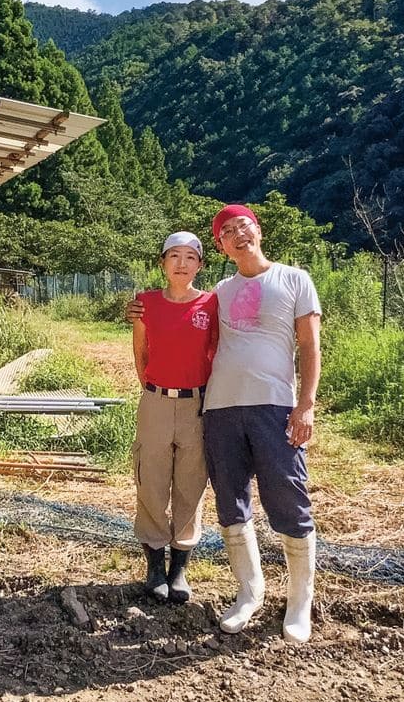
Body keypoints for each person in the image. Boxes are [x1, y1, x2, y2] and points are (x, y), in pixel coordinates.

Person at [128, 205, 322, 644]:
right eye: (226, 232)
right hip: (219, 409)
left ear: (258, 230)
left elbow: (310, 347)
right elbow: (169, 336)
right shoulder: (221, 291)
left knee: (287, 497)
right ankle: (249, 593)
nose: (237, 235)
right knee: (231, 502)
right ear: (219, 246)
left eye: (243, 227)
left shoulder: (294, 279)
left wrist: (305, 405)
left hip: (274, 406)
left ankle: (299, 602)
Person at [131, 230, 218, 604]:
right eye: (174, 256)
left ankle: (179, 567)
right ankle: (154, 566)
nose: (181, 264)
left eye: (190, 257)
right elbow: (140, 354)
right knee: (150, 479)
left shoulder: (212, 304)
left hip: (197, 403)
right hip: (155, 400)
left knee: (190, 482)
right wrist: (155, 389)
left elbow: (218, 353)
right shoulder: (145, 303)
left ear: (200, 264)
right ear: (162, 263)